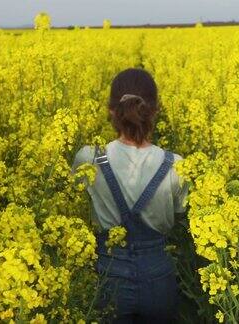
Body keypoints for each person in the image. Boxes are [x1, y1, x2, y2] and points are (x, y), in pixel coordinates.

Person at [71, 68, 189, 323]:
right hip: (158, 275)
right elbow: (180, 214)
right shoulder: (175, 164)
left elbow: (72, 201)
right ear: (155, 110)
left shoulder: (88, 158)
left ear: (111, 110)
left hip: (108, 272)